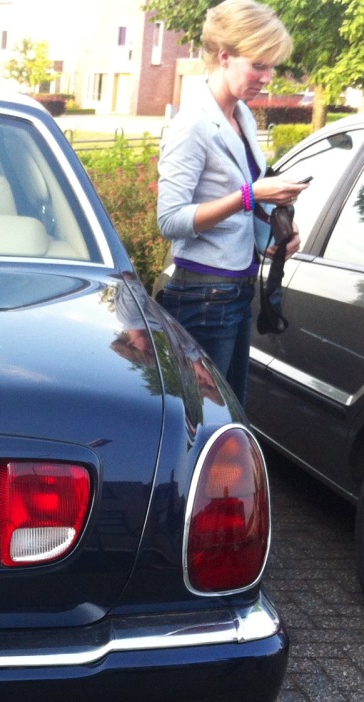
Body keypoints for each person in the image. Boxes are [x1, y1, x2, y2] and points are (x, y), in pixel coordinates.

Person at [155, 0, 309, 403]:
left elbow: (244, 202)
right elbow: (170, 220)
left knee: (229, 415)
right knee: (205, 422)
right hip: (203, 295)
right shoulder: (192, 126)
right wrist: (249, 196)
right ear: (224, 56)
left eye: (271, 66)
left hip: (235, 290)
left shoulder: (242, 116)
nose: (267, 77)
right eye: (259, 65)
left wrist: (273, 236)